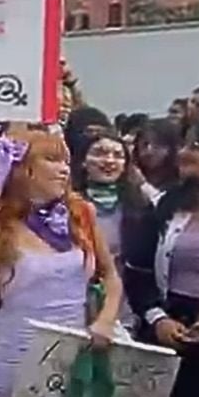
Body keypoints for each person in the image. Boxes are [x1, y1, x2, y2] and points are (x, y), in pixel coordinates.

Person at [0, 132, 123, 397]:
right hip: (13, 352)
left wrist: (105, 320)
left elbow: (111, 276)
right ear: (23, 170)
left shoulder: (81, 214)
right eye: (52, 159)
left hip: (75, 353)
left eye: (66, 161)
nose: (64, 169)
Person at [124, 118, 199, 397]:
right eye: (186, 145)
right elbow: (137, 270)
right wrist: (157, 318)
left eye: (198, 147)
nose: (185, 154)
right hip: (168, 327)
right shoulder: (166, 206)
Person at [71, 129, 148, 330]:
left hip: (123, 305)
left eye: (118, 155)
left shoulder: (139, 206)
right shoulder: (67, 204)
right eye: (100, 153)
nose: (109, 160)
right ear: (83, 160)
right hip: (73, 301)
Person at [134, 118, 184, 203]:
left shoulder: (183, 183)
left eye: (158, 144)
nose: (149, 151)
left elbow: (164, 207)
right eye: (144, 144)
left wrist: (143, 185)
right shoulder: (129, 181)